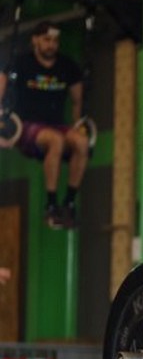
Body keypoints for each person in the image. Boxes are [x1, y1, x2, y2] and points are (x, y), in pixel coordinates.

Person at [0, 20, 90, 229]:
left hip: (57, 125)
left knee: (82, 142)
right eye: (46, 40)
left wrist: (78, 123)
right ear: (35, 40)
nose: (51, 45)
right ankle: (51, 204)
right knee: (55, 140)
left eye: (55, 41)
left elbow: (77, 100)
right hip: (27, 127)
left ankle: (69, 203)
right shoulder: (21, 63)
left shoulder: (67, 66)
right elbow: (2, 84)